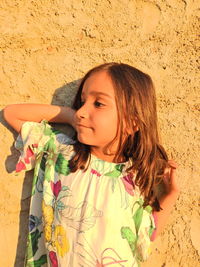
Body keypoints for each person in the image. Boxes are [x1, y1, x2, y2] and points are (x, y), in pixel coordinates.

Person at [3, 62, 179, 267]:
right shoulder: (60, 151)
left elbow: (147, 235)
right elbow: (12, 113)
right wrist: (70, 116)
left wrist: (170, 194)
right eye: (82, 102)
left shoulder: (135, 176)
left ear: (132, 123)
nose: (82, 111)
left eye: (98, 104)